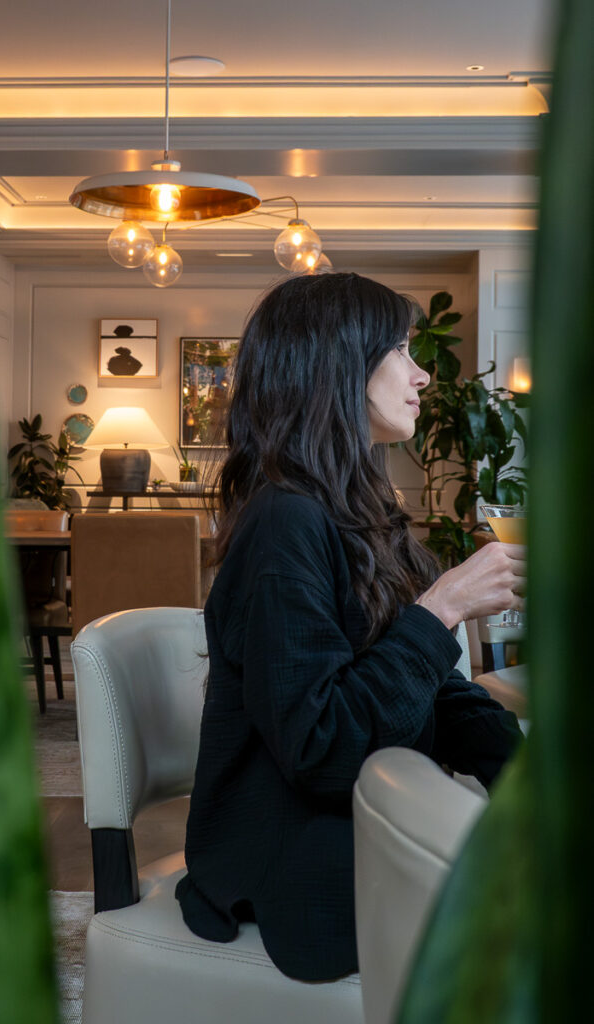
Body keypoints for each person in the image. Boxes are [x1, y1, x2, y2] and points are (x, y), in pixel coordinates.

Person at [175, 273, 524, 983]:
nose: (422, 374)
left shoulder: (352, 513)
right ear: (337, 366)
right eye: (399, 350)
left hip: (346, 826)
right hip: (294, 860)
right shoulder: (284, 524)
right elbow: (324, 749)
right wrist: (442, 607)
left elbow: (426, 690)